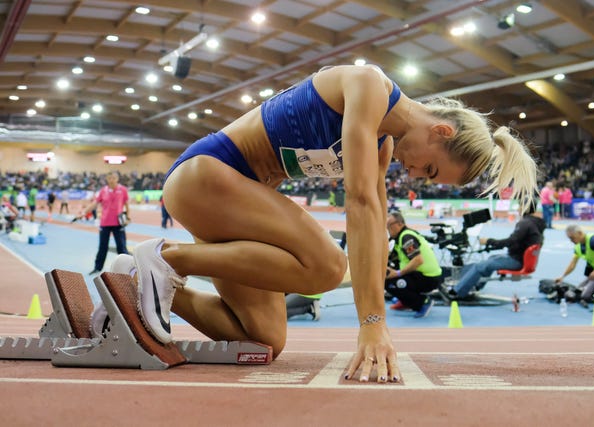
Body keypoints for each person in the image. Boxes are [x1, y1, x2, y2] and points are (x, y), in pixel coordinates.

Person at [126, 64, 537, 383]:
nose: (415, 174)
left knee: (263, 340)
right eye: (430, 168)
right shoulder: (369, 86)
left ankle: (136, 279)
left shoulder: (383, 144)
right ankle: (167, 260)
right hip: (207, 175)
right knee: (326, 267)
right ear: (441, 130)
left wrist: (380, 324)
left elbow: (376, 229)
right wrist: (370, 325)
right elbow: (358, 204)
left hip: (233, 196)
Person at [440, 201, 545, 300]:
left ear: (523, 207)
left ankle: (456, 292)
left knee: (479, 266)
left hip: (517, 260)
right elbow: (515, 242)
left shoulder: (525, 224)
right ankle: (475, 286)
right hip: (520, 257)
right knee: (490, 260)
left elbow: (510, 241)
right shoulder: (535, 223)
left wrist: (489, 241)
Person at [385, 211, 441, 318]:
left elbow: (418, 260)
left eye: (389, 225)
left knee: (389, 282)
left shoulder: (407, 237)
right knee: (387, 273)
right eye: (386, 226)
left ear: (400, 224)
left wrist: (397, 273)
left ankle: (422, 303)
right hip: (421, 275)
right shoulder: (399, 237)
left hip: (428, 278)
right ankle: (406, 301)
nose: (388, 229)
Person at [75, 172, 130, 275]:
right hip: (105, 223)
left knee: (122, 247)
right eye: (110, 178)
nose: (112, 180)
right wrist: (83, 212)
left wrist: (128, 217)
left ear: (117, 179)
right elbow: (95, 204)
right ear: (107, 179)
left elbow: (126, 204)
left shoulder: (123, 190)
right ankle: (97, 267)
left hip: (119, 223)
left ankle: (126, 270)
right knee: (102, 247)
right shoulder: (103, 191)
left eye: (114, 178)